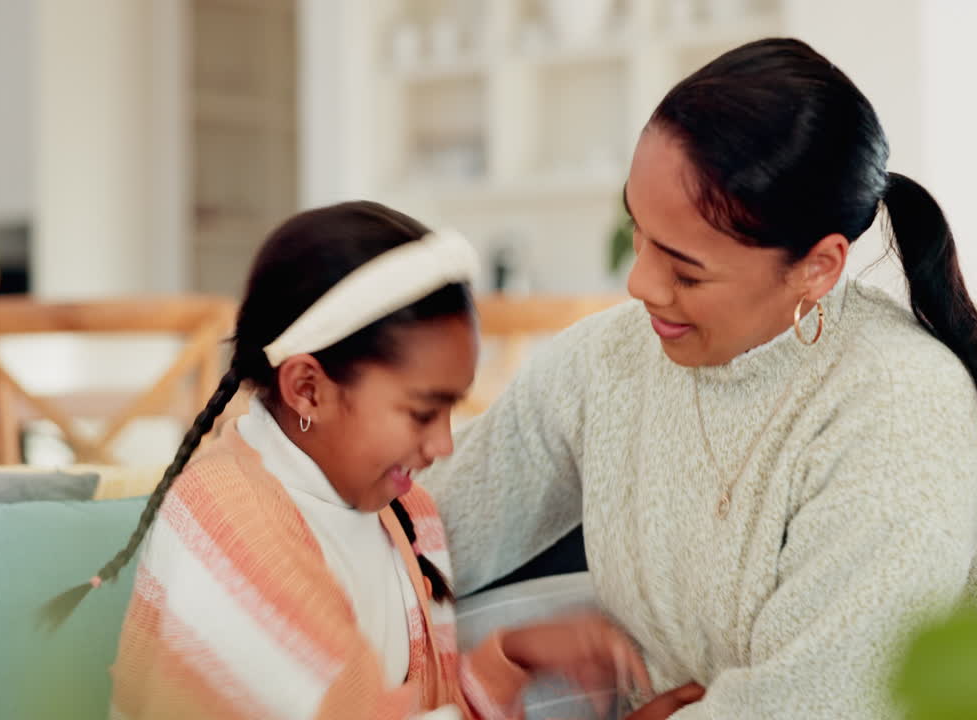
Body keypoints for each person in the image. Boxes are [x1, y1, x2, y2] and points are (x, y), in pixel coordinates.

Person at [420, 38, 977, 719]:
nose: (639, 282)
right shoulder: (609, 360)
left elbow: (823, 703)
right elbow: (417, 533)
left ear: (819, 267)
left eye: (685, 270)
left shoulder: (900, 407)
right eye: (638, 231)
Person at [49, 201, 651, 719]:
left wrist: (510, 658)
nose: (443, 445)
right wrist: (501, 669)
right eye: (421, 413)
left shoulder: (406, 513)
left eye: (450, 413)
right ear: (308, 388)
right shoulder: (224, 518)